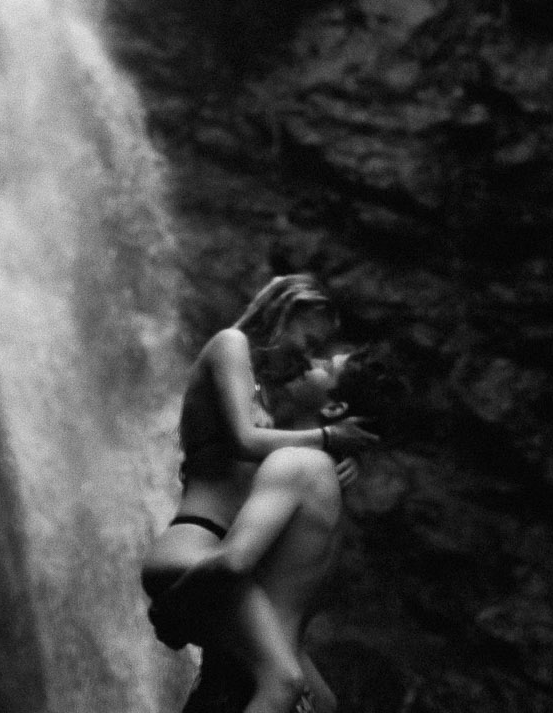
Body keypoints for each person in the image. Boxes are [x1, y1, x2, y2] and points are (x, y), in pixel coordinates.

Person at [142, 276, 377, 713]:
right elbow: (243, 441)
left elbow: (292, 464)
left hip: (229, 561)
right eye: (308, 341)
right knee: (283, 682)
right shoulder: (229, 344)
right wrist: (328, 437)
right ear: (282, 313)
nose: (308, 357)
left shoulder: (268, 395)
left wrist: (343, 457)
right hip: (195, 547)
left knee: (323, 703)